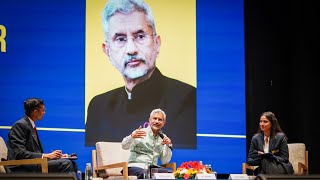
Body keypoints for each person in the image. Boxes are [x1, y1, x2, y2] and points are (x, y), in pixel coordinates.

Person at [85, 0, 196, 149]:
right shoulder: (98, 107)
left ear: (157, 43)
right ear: (107, 51)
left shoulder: (187, 99)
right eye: (120, 39)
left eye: (140, 36)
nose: (131, 49)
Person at [6, 98, 78, 175]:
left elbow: (34, 152)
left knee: (72, 164)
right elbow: (20, 153)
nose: (44, 112)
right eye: (43, 110)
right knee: (66, 164)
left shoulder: (30, 125)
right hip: (22, 167)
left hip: (33, 163)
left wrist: (54, 156)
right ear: (35, 112)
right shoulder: (19, 125)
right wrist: (46, 156)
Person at [121, 108, 173, 179]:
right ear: (149, 120)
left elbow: (164, 161)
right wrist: (131, 137)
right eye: (154, 118)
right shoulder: (141, 133)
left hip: (152, 168)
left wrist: (168, 146)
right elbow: (124, 146)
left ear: (163, 123)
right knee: (146, 174)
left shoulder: (164, 138)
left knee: (170, 174)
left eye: (160, 119)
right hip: (136, 166)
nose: (157, 121)